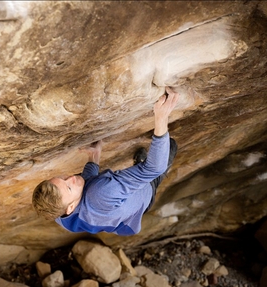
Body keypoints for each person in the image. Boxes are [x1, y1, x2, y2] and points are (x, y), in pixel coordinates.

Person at [32, 87, 179, 235]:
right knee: (169, 147)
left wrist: (93, 159)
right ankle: (146, 173)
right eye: (69, 187)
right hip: (141, 199)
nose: (72, 178)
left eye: (62, 178)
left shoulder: (60, 215)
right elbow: (154, 168)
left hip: (120, 222)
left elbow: (85, 191)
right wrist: (161, 117)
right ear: (70, 207)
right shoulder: (102, 193)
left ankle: (138, 167)